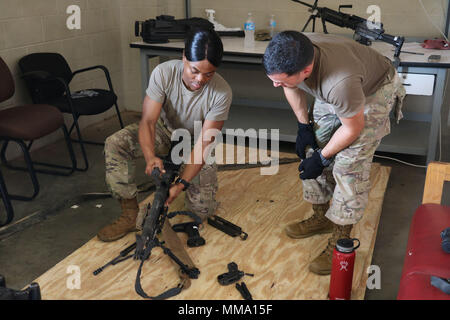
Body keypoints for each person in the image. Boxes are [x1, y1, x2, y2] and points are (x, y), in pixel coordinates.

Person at [263, 31, 405, 275]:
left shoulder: (339, 82)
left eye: (281, 80)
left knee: (348, 167)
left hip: (374, 91)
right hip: (338, 86)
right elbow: (290, 85)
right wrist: (303, 127)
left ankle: (340, 243)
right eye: (272, 79)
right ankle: (322, 218)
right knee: (311, 148)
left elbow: (353, 127)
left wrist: (323, 157)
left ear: (306, 71)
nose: (275, 85)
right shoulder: (293, 49)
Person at [97, 29, 232, 242]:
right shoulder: (163, 72)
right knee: (116, 143)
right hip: (164, 130)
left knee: (201, 212)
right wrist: (151, 157)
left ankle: (182, 173)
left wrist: (181, 185)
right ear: (184, 57)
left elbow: (204, 145)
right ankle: (130, 215)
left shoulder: (222, 92)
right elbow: (148, 121)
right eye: (194, 71)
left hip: (194, 141)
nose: (200, 80)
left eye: (209, 74)